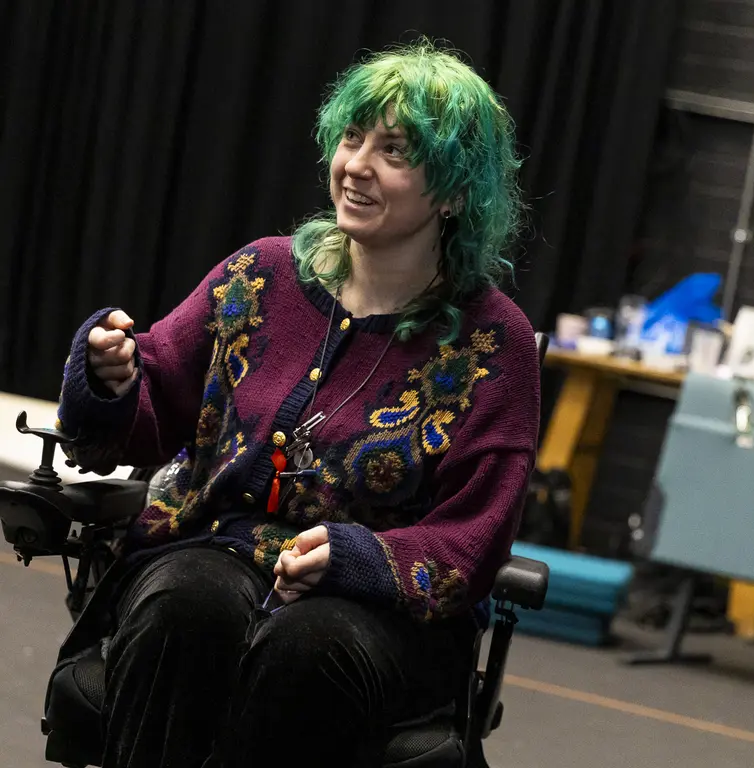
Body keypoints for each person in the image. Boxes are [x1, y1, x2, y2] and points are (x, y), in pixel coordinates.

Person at [57, 39, 540, 768]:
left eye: (395, 151)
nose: (357, 165)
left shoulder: (494, 342)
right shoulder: (260, 275)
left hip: (379, 618)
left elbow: (475, 536)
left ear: (455, 191)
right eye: (353, 137)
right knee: (187, 604)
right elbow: (153, 399)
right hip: (212, 551)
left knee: (308, 647)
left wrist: (361, 559)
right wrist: (112, 377)